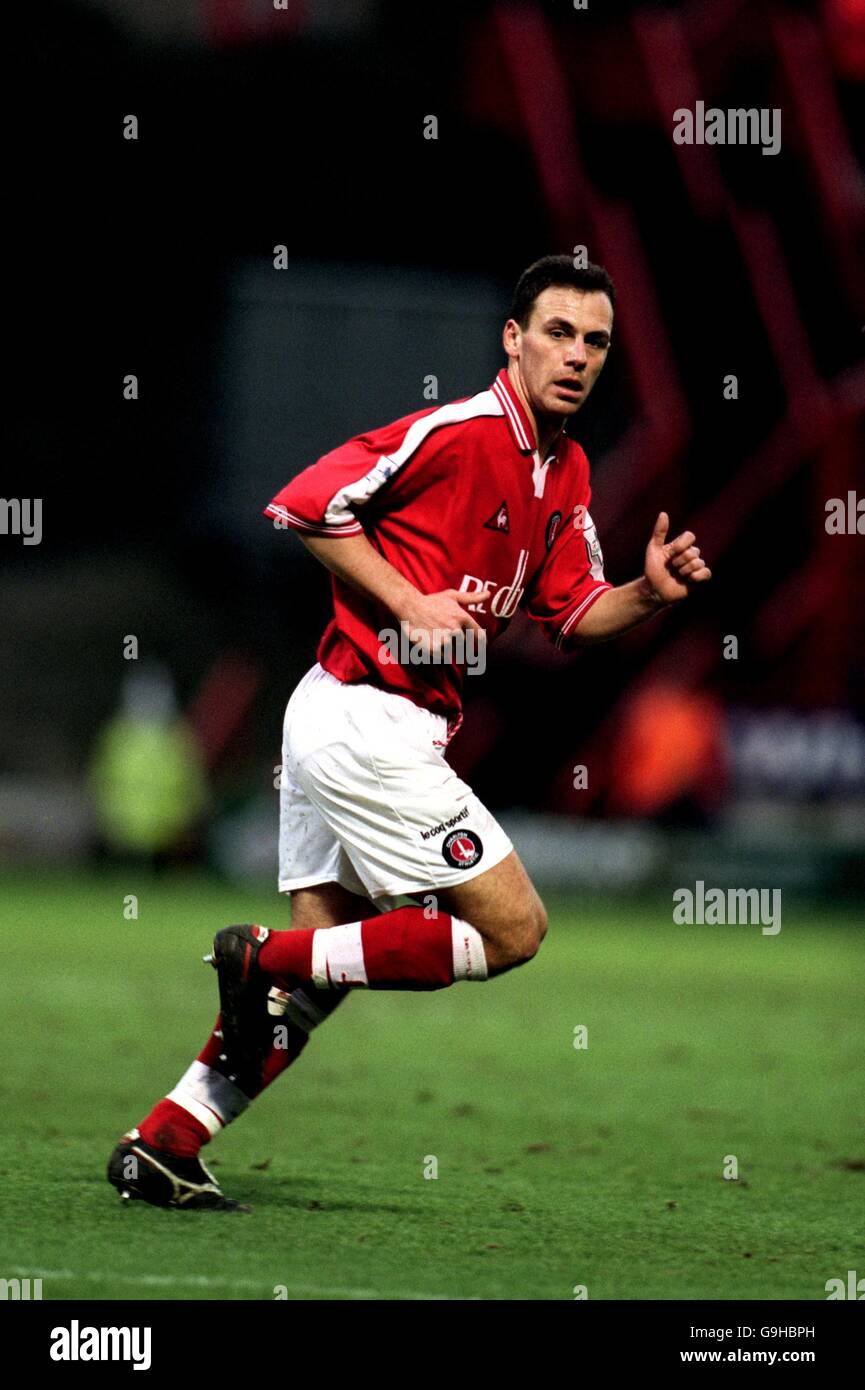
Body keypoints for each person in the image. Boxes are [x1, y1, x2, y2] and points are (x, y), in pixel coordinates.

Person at [107, 255, 711, 1210]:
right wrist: (404, 597)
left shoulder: (567, 471)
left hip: (351, 718)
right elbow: (305, 501)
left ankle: (165, 1142)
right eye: (557, 332)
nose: (578, 356)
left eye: (596, 341)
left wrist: (644, 593)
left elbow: (573, 611)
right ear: (512, 340)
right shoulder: (457, 433)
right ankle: (264, 954)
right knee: (511, 929)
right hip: (364, 717)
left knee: (317, 982)